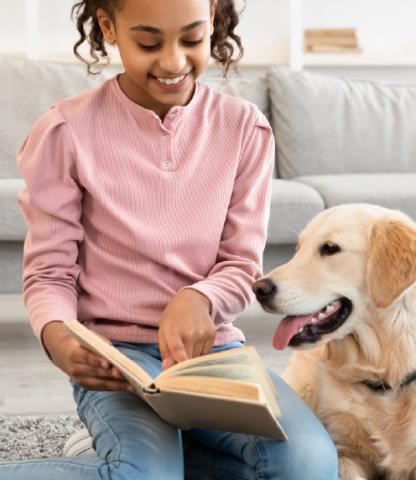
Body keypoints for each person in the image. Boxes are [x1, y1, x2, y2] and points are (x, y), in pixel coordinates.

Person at [0, 0, 339, 478]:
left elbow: (242, 264)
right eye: (148, 42)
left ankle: (134, 459)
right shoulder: (65, 132)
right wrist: (56, 335)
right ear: (108, 27)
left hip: (215, 356)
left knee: (311, 465)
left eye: (192, 39)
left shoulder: (244, 129)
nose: (173, 62)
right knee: (146, 475)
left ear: (214, 23)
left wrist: (199, 298)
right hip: (117, 361)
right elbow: (50, 272)